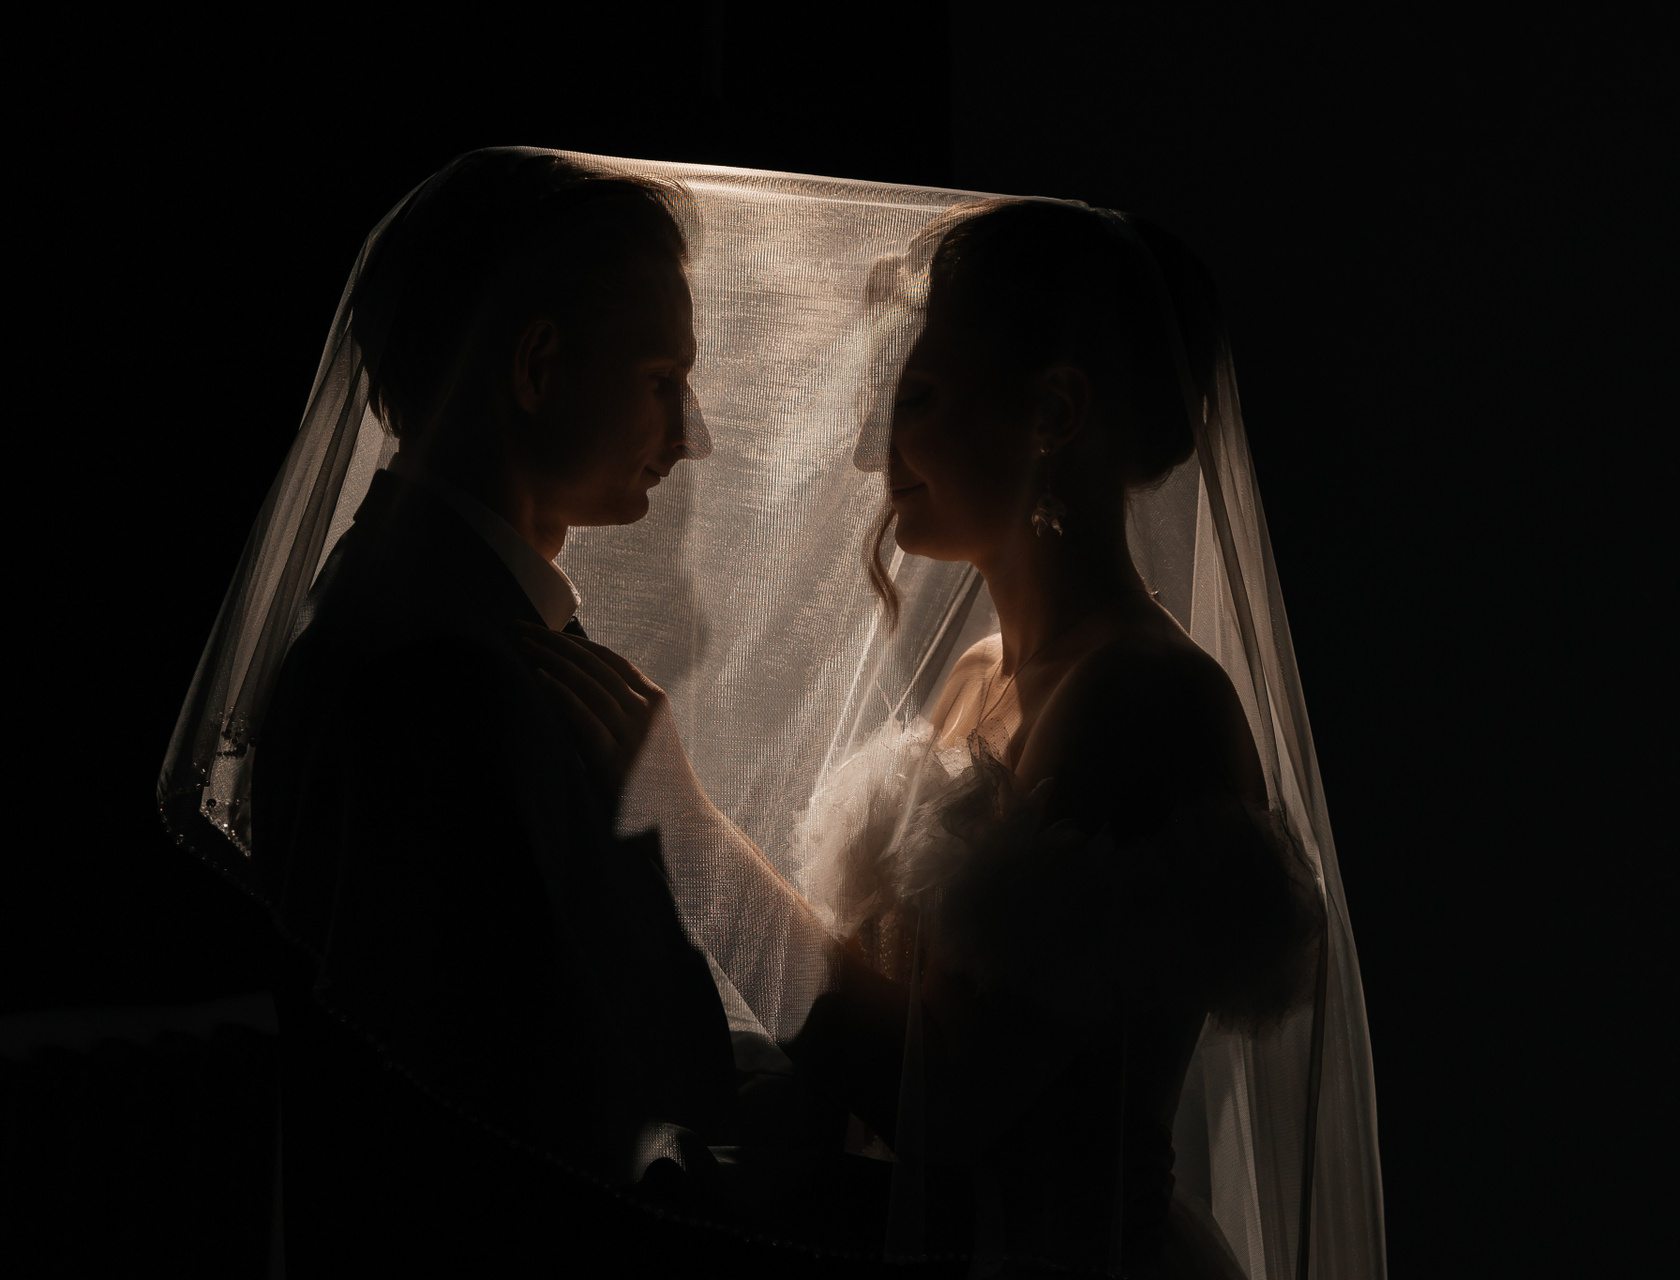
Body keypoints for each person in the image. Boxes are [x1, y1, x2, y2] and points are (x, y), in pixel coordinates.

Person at [532, 198, 1325, 1277]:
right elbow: (875, 1044)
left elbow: (945, 1098)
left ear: (1055, 412)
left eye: (917, 397)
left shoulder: (1144, 701)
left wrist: (688, 831)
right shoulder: (982, 673)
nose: (874, 448)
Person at [251, 149, 877, 1278]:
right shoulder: (444, 678)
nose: (693, 433)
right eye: (662, 378)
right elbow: (536, 1122)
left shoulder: (423, 608)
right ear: (537, 366)